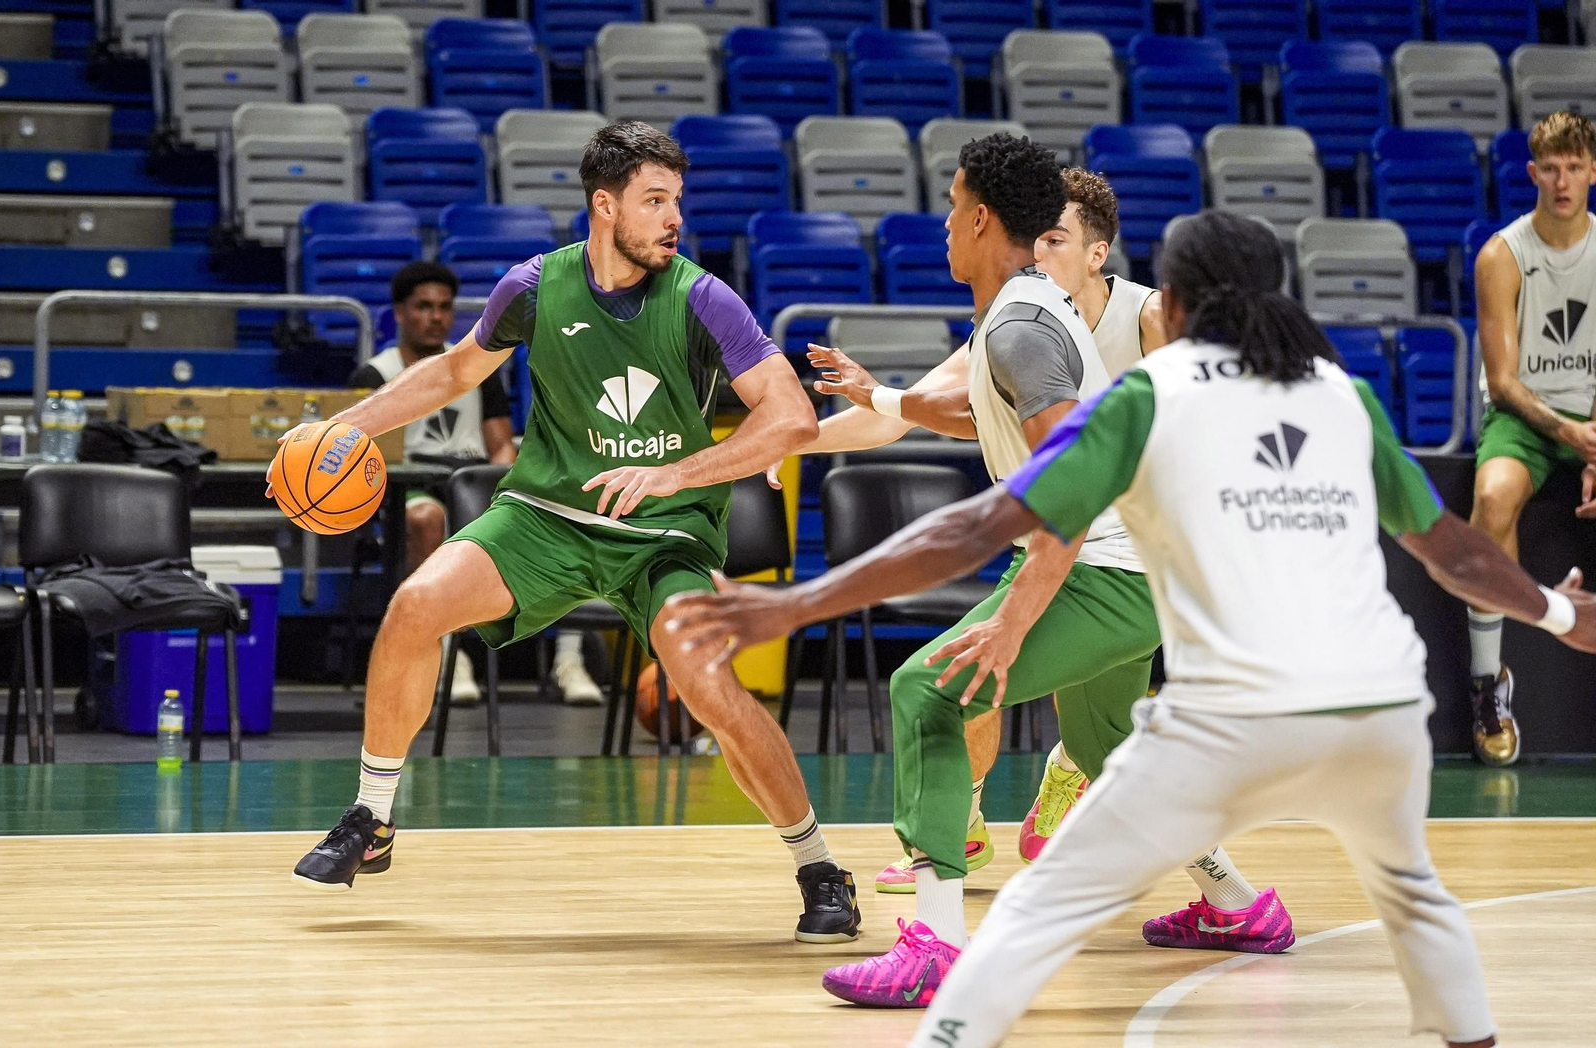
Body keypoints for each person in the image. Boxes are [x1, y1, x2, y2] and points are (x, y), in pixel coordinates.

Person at [665, 209, 1596, 1048]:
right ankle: (1276, 925)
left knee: (1031, 910)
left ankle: (939, 987)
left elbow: (979, 525)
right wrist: (1559, 611)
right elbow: (1451, 550)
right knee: (1419, 902)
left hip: (1232, 722)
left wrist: (794, 604)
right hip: (1384, 715)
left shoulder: (1147, 396)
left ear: (1175, 302)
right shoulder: (1338, 393)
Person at [290, 122, 862, 945]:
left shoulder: (703, 297)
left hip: (663, 533)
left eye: (677, 202)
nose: (674, 219)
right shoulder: (533, 286)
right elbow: (455, 370)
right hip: (546, 516)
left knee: (706, 685)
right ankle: (371, 819)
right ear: (605, 205)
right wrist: (345, 427)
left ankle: (818, 868)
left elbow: (792, 413)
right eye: (654, 201)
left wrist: (678, 474)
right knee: (414, 607)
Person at [784, 139, 1285, 1009]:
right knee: (1107, 748)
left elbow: (1074, 480)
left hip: (1110, 566)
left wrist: (1011, 622)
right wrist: (869, 402)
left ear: (981, 219)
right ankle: (1239, 904)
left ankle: (936, 944)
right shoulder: (1018, 316)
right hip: (1133, 566)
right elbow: (968, 403)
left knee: (928, 692)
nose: (942, 223)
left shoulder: (1023, 322)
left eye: (951, 205)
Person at [349, 262, 603, 707]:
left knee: (573, 514)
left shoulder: (476, 366)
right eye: (424, 307)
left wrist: (502, 491)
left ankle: (569, 659)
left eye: (444, 308)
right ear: (400, 314)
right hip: (407, 490)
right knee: (428, 518)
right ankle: (450, 656)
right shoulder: (375, 374)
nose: (436, 317)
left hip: (470, 485)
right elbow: (366, 458)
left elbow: (502, 446)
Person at [1467, 109, 1596, 766]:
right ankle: (1489, 684)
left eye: (1575, 166)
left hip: (1593, 418)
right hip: (1527, 419)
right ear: (1532, 173)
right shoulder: (1503, 254)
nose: (1563, 180)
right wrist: (1569, 431)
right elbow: (1505, 380)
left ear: (1593, 171)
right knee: (1491, 500)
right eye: (1551, 167)